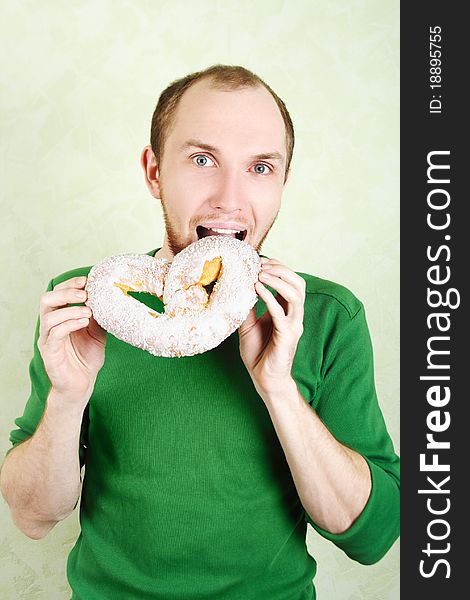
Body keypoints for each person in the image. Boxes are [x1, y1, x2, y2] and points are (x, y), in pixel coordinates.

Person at [0, 65, 400, 600]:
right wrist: (67, 399)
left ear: (283, 182)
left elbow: (373, 537)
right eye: (202, 159)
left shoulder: (326, 315)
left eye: (261, 167)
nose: (230, 199)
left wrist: (279, 389)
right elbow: (32, 516)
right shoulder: (86, 308)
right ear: (154, 171)